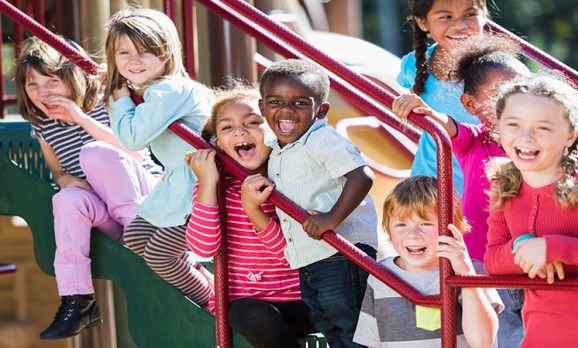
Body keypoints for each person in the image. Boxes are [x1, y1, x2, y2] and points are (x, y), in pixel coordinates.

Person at [15, 37, 161, 339]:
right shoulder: (43, 125)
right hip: (109, 216)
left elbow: (133, 151)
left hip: (145, 208)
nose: (43, 92)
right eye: (33, 85)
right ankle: (78, 301)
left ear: (72, 76)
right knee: (66, 199)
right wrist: (64, 179)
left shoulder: (106, 101)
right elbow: (57, 169)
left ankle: (140, 240)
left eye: (52, 81)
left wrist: (79, 118)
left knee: (94, 152)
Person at [393, 34, 530, 347]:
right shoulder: (474, 140)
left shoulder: (535, 143)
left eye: (524, 92)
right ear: (471, 104)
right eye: (501, 94)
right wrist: (423, 110)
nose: (516, 102)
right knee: (502, 337)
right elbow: (445, 124)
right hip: (485, 265)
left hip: (527, 260)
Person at [484, 73, 578, 347]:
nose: (526, 137)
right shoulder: (504, 186)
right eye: (513, 124)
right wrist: (524, 246)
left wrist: (554, 249)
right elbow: (492, 259)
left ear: (570, 136)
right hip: (540, 335)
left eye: (542, 128)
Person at [257, 59, 378, 348]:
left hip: (342, 253)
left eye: (299, 103)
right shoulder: (276, 149)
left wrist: (332, 218)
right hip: (311, 257)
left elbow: (362, 175)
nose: (286, 110)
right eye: (275, 101)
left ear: (320, 110)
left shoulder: (321, 139)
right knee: (330, 329)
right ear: (262, 108)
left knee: (352, 330)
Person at [185, 81, 316, 347]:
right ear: (217, 143)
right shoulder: (215, 187)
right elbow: (203, 246)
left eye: (253, 122)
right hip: (247, 302)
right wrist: (209, 183)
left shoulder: (291, 182)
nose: (240, 131)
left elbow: (292, 255)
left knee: (349, 304)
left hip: (300, 299)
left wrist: (253, 210)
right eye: (226, 127)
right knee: (255, 317)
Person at [103, 8, 215, 308]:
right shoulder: (157, 90)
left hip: (202, 186)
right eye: (124, 53)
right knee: (137, 237)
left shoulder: (169, 90)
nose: (134, 60)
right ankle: (204, 277)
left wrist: (122, 101)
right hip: (179, 181)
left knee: (159, 254)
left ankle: (211, 304)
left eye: (146, 52)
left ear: (166, 53)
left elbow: (132, 138)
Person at [353, 175, 502, 347]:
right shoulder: (380, 276)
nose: (413, 234)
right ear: (388, 228)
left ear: (454, 228)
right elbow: (373, 343)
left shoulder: (470, 271)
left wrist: (466, 274)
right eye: (401, 225)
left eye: (425, 224)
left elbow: (483, 341)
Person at [398, 0, 490, 195]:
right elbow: (415, 98)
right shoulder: (413, 64)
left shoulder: (496, 69)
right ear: (423, 23)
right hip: (431, 178)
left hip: (483, 181)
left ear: (484, 14)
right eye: (446, 17)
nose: (460, 25)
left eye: (470, 14)